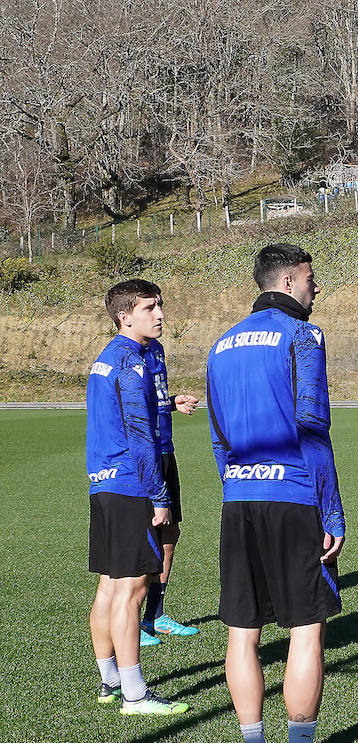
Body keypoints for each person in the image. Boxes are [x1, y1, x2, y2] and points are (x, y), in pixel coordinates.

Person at [207, 244, 356, 743]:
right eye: (312, 279)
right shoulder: (302, 335)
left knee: (242, 632)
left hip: (239, 498)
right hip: (293, 496)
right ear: (289, 280)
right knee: (306, 629)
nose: (317, 288)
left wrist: (237, 484)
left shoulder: (221, 345)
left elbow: (218, 436)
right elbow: (313, 428)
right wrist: (330, 509)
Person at [86, 279, 189, 717]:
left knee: (110, 586)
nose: (160, 313)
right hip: (131, 484)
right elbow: (141, 436)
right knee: (131, 591)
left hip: (103, 483)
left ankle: (110, 680)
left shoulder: (107, 358)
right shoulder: (130, 361)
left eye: (159, 305)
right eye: (150, 307)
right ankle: (135, 694)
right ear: (124, 316)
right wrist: (158, 495)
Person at [139, 334, 201, 643]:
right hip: (144, 454)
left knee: (169, 534)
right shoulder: (127, 352)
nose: (160, 314)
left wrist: (171, 402)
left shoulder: (157, 349)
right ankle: (130, 622)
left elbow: (152, 396)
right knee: (143, 537)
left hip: (165, 450)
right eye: (151, 310)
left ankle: (154, 615)